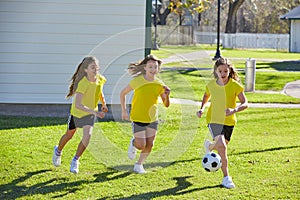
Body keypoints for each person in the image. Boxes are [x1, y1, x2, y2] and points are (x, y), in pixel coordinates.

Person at [196, 57, 248, 188]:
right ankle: (226, 178)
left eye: (226, 71)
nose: (223, 74)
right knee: (223, 147)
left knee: (221, 146)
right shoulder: (211, 85)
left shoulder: (235, 86)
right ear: (216, 71)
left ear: (230, 71)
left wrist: (234, 110)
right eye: (220, 71)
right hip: (213, 119)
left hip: (229, 122)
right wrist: (202, 108)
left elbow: (245, 103)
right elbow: (206, 96)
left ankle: (211, 147)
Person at [52, 56, 108, 174]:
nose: (95, 69)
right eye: (92, 67)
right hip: (77, 113)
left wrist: (104, 103)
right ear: (86, 70)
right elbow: (78, 104)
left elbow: (99, 91)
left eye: (96, 67)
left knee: (87, 136)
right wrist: (95, 112)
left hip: (89, 114)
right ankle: (58, 151)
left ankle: (75, 160)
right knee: (69, 135)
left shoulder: (100, 79)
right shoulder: (83, 83)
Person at [120, 54, 170, 174]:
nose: (153, 69)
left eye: (155, 67)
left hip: (152, 118)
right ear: (145, 68)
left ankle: (139, 164)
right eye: (150, 67)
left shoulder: (159, 84)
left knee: (150, 144)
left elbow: (166, 104)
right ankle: (134, 143)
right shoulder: (138, 81)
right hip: (138, 117)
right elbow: (123, 93)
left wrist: (167, 95)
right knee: (141, 145)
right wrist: (123, 110)